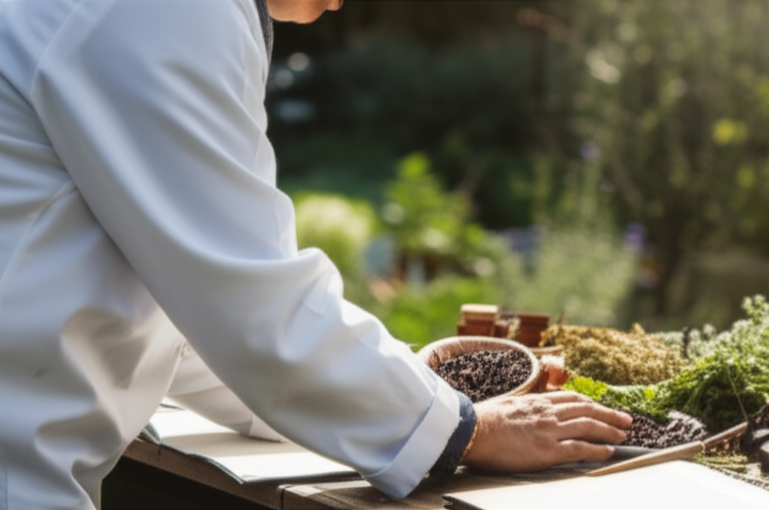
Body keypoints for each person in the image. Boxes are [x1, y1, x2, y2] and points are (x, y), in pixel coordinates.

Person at [0, 0, 633, 508]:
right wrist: (469, 431)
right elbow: (254, 305)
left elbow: (186, 310)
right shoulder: (162, 12)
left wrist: (400, 390)